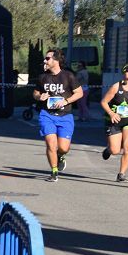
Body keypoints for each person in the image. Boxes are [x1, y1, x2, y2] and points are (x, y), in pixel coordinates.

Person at [34, 50, 83, 183]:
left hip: (65, 116)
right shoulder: (42, 77)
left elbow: (79, 93)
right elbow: (36, 93)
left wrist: (66, 101)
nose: (45, 61)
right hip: (47, 115)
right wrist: (39, 96)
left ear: (56, 60)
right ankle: (54, 171)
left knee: (63, 147)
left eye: (47, 58)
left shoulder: (68, 76)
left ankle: (60, 155)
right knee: (51, 144)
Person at [100, 63, 128, 182]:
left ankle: (121, 174)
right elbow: (103, 102)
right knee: (115, 150)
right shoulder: (115, 87)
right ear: (124, 73)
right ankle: (108, 149)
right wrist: (112, 113)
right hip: (114, 121)